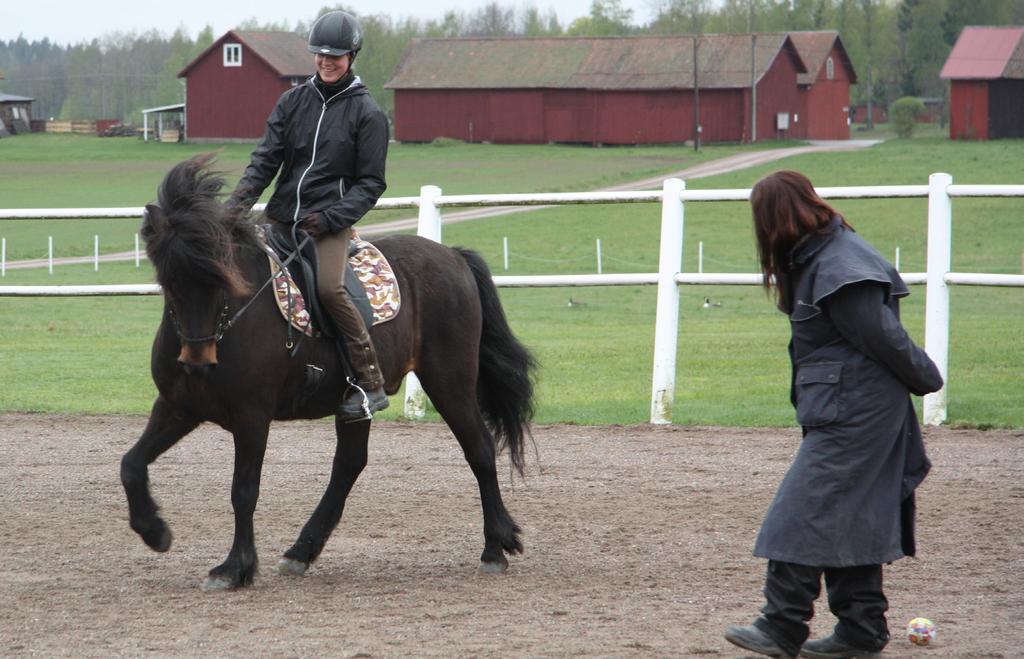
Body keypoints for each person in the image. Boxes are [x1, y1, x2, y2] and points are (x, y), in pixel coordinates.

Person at [724, 170, 944, 658]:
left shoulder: (840, 267)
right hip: (847, 407)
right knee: (850, 515)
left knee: (800, 514)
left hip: (857, 413)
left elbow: (883, 338)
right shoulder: (823, 259)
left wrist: (926, 377)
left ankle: (781, 626)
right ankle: (861, 631)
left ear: (774, 218)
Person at [228, 10, 390, 420]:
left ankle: (367, 382)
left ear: (352, 56)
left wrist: (333, 218)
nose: (326, 61)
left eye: (335, 55)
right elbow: (264, 161)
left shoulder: (368, 114)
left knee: (330, 290)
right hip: (280, 219)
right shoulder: (292, 102)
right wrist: (232, 211)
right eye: (320, 54)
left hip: (326, 227)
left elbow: (371, 184)